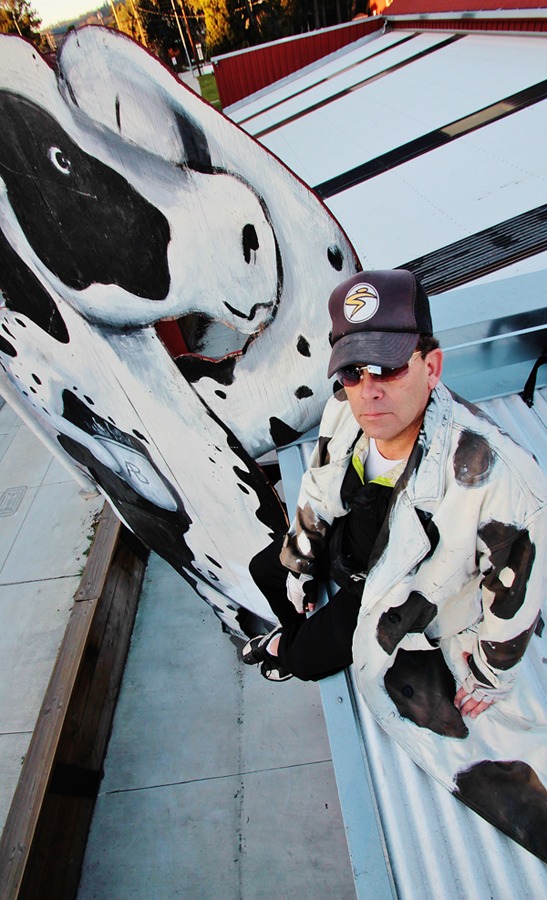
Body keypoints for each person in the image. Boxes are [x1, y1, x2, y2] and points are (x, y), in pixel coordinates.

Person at [242, 270, 547, 862]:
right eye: (354, 372)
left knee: (304, 659)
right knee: (267, 569)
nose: (369, 390)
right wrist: (301, 561)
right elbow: (320, 485)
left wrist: (489, 673)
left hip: (400, 588)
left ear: (431, 367)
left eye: (388, 368)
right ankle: (296, 620)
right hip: (351, 546)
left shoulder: (498, 481)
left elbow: (517, 591)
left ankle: (284, 646)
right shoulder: (345, 412)